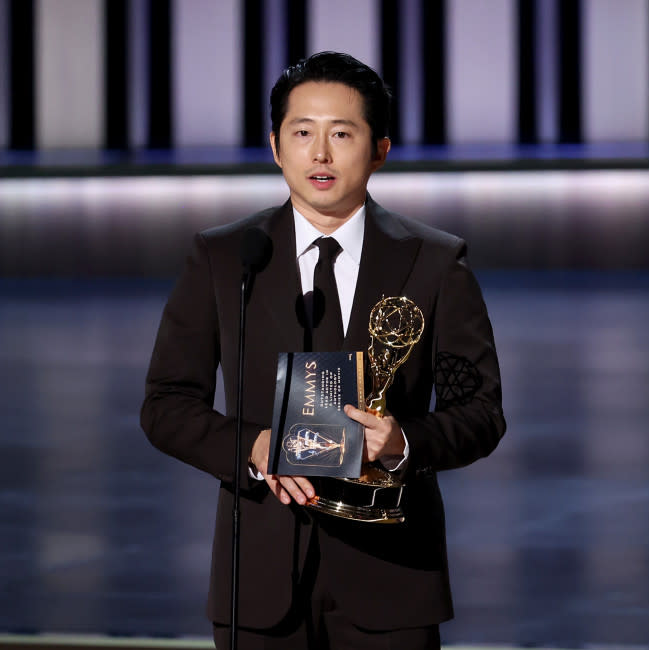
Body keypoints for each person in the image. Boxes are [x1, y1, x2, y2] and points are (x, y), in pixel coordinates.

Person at [141, 51, 505, 650]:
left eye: (342, 133)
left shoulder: (436, 263)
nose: (320, 154)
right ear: (275, 145)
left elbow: (481, 412)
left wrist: (402, 443)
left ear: (381, 148)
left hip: (390, 578)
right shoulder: (226, 258)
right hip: (259, 580)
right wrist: (254, 447)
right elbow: (166, 404)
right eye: (302, 132)